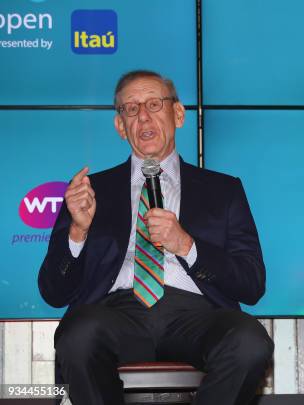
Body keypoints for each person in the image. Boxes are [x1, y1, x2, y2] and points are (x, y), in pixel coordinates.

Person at [38, 70, 273, 405]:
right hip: (116, 313)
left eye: (153, 104)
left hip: (196, 316)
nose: (143, 116)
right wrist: (78, 231)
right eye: (130, 109)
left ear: (178, 114)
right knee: (79, 333)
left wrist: (187, 246)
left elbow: (252, 283)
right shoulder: (90, 193)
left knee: (250, 341)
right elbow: (52, 292)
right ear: (120, 126)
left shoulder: (224, 190)